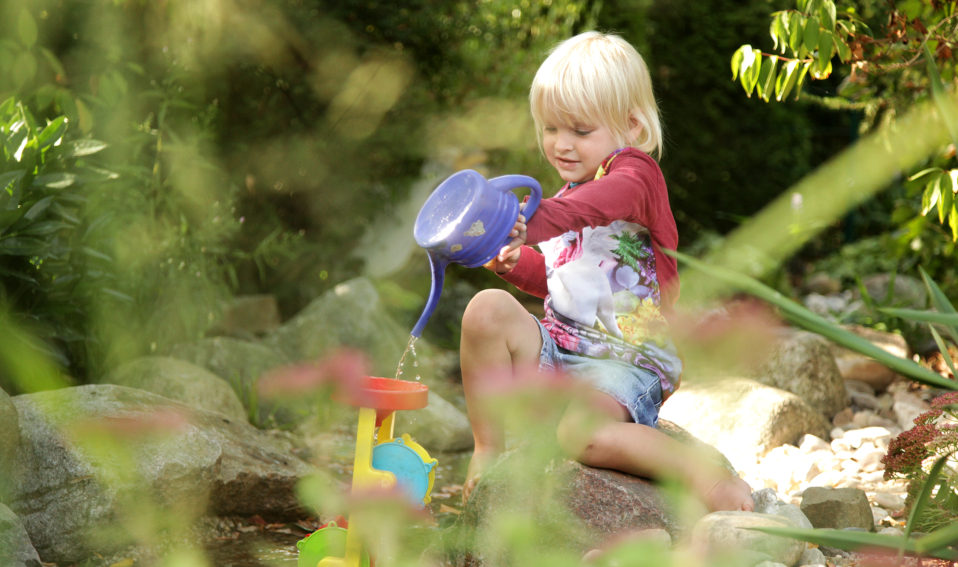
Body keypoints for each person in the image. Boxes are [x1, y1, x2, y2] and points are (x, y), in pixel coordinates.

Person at [459, 30, 754, 512]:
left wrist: (531, 223)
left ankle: (705, 477)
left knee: (583, 435)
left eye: (580, 130)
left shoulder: (635, 176)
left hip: (624, 362)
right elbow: (561, 281)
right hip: (559, 352)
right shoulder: (564, 201)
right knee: (485, 311)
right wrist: (515, 263)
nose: (561, 145)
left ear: (632, 127)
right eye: (551, 129)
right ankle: (488, 449)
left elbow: (604, 203)